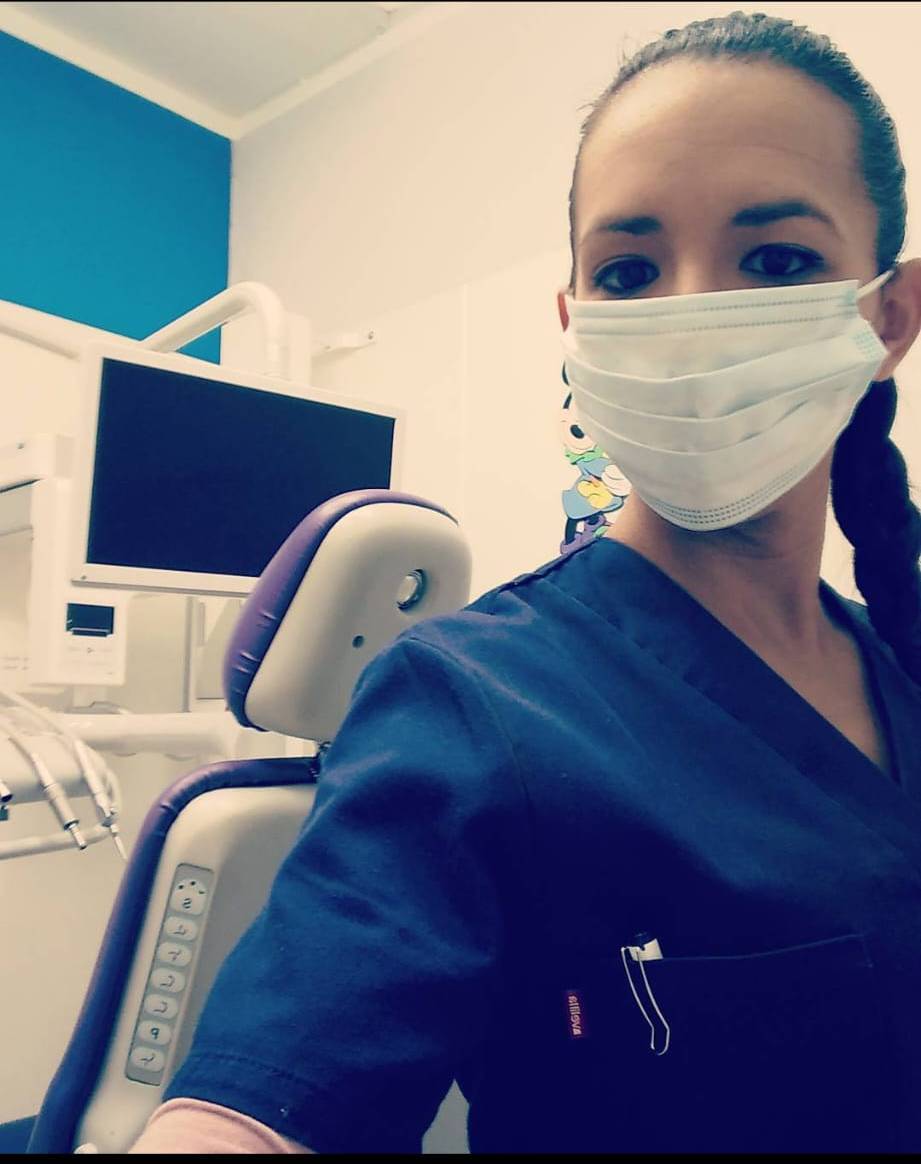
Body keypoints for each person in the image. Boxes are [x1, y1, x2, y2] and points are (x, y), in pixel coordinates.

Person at [129, 9, 921, 1154]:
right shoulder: (471, 705)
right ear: (575, 325)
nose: (689, 320)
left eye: (777, 259)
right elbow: (264, 1102)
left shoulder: (896, 666)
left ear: (889, 315)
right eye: (630, 271)